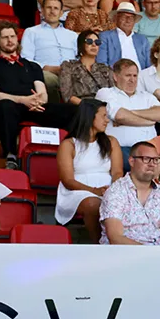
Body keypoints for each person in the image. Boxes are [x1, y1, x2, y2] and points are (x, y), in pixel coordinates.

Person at [0, 21, 75, 165]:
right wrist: (23, 100)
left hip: (35, 107)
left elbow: (43, 93)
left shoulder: (32, 66)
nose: (10, 41)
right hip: (11, 107)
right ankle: (11, 155)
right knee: (4, 105)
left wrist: (37, 102)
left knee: (73, 110)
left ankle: (70, 153)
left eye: (12, 36)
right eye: (5, 37)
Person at [55, 99, 123, 241]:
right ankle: (98, 244)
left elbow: (117, 172)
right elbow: (68, 180)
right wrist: (94, 191)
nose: (107, 121)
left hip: (109, 189)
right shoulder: (69, 145)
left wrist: (113, 190)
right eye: (103, 116)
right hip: (77, 192)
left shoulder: (111, 142)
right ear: (90, 116)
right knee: (94, 204)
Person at [100, 140, 160, 246]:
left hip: (157, 256)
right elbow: (115, 237)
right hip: (122, 255)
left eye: (155, 160)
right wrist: (147, 255)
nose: (152, 164)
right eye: (146, 159)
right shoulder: (116, 191)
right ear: (131, 161)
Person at [96, 58, 160, 165]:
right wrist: (149, 121)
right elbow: (120, 116)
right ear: (115, 77)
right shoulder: (105, 93)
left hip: (149, 151)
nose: (132, 80)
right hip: (119, 150)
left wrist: (130, 113)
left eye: (135, 76)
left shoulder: (147, 96)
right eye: (128, 75)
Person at [21, 0, 77, 82]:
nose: (52, 11)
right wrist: (47, 68)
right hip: (46, 73)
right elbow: (26, 59)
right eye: (49, 8)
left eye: (56, 8)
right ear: (42, 11)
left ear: (61, 13)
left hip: (72, 74)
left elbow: (80, 58)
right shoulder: (31, 32)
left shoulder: (72, 35)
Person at [59, 30, 113, 106]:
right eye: (89, 41)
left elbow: (114, 93)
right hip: (80, 108)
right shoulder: (68, 66)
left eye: (97, 42)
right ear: (81, 44)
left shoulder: (105, 69)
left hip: (105, 108)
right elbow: (67, 96)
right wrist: (89, 107)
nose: (94, 45)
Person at [97, 2, 149, 68]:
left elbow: (149, 65)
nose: (128, 21)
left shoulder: (142, 39)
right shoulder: (105, 37)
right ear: (116, 18)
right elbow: (101, 63)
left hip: (140, 76)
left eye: (131, 18)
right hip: (115, 76)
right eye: (124, 17)